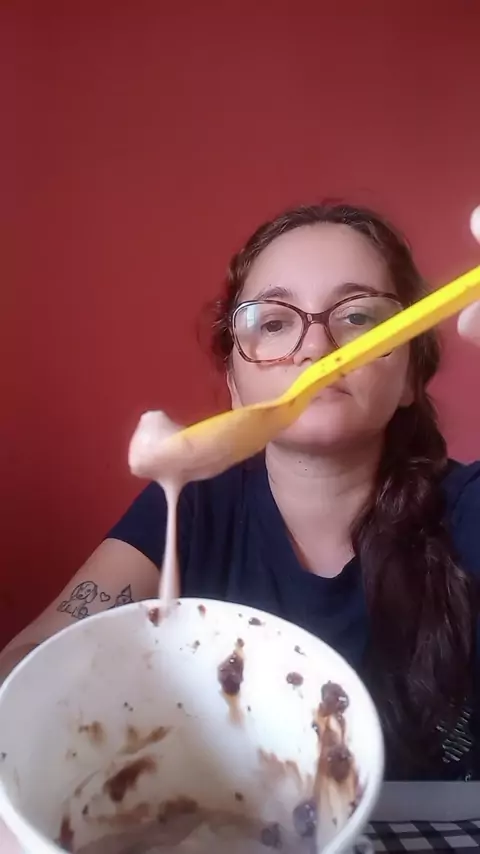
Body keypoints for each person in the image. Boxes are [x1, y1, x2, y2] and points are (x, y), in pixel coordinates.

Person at [1, 203, 480, 781]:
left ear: (408, 378)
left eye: (358, 317)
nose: (316, 346)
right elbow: (32, 661)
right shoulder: (190, 507)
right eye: (273, 322)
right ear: (234, 383)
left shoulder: (466, 509)